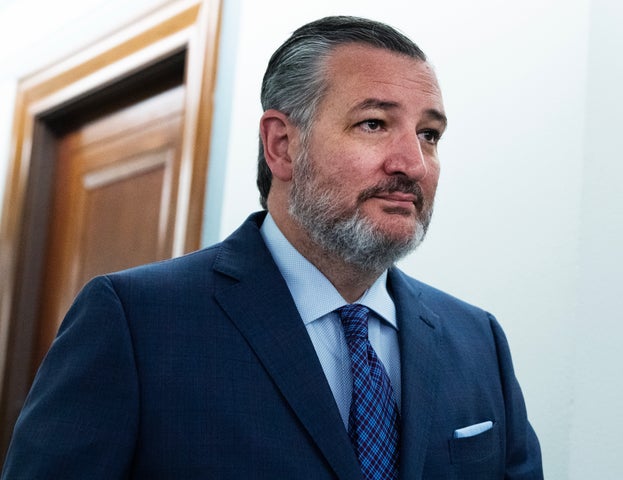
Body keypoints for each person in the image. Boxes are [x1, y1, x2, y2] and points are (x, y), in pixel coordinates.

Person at [1, 16, 542, 479]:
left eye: (429, 135)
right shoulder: (134, 322)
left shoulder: (479, 342)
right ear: (282, 145)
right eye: (374, 124)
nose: (412, 163)